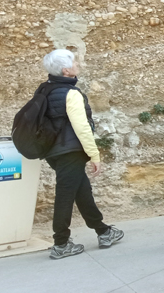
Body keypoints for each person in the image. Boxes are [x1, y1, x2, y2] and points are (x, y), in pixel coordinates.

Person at [39, 49, 124, 259]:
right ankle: (60, 244)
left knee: (81, 190)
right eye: (74, 62)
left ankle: (103, 231)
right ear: (66, 70)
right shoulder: (71, 93)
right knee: (66, 195)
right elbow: (82, 127)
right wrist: (94, 155)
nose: (78, 64)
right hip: (70, 152)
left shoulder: (44, 90)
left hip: (53, 152)